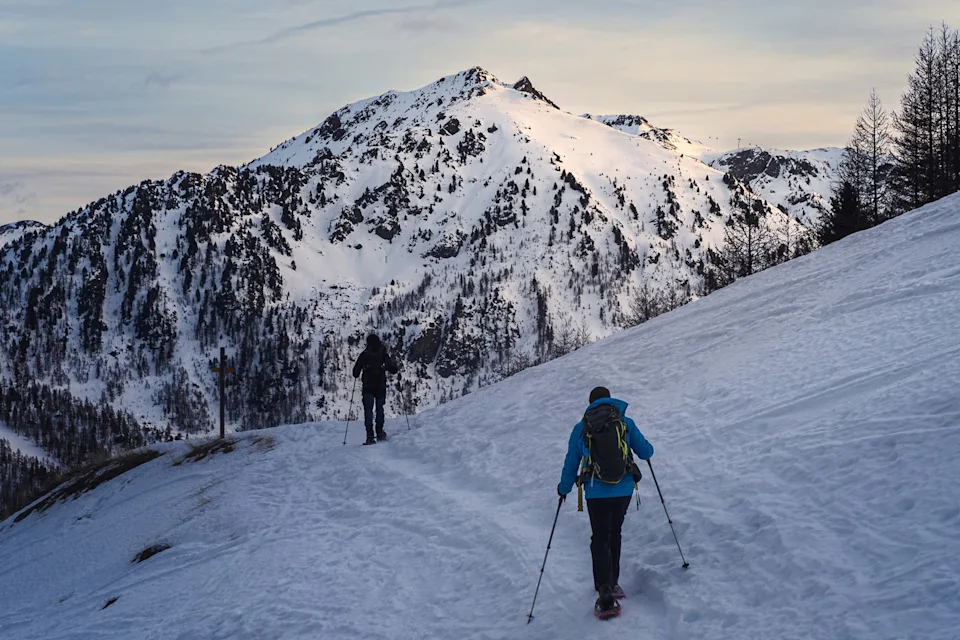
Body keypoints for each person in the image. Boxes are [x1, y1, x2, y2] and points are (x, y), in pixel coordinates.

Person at [557, 386, 654, 618]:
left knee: (600, 536)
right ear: (610, 400)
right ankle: (614, 582)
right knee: (615, 533)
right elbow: (646, 451)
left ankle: (604, 588)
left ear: (590, 403)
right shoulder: (625, 422)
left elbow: (571, 461)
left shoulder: (582, 428)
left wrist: (564, 489)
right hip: (623, 489)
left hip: (595, 491)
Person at [352, 333, 399, 445]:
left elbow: (355, 372)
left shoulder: (365, 354)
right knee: (379, 409)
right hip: (380, 386)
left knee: (368, 411)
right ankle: (379, 432)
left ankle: (370, 436)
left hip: (368, 386)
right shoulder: (383, 353)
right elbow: (392, 369)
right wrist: (394, 367)